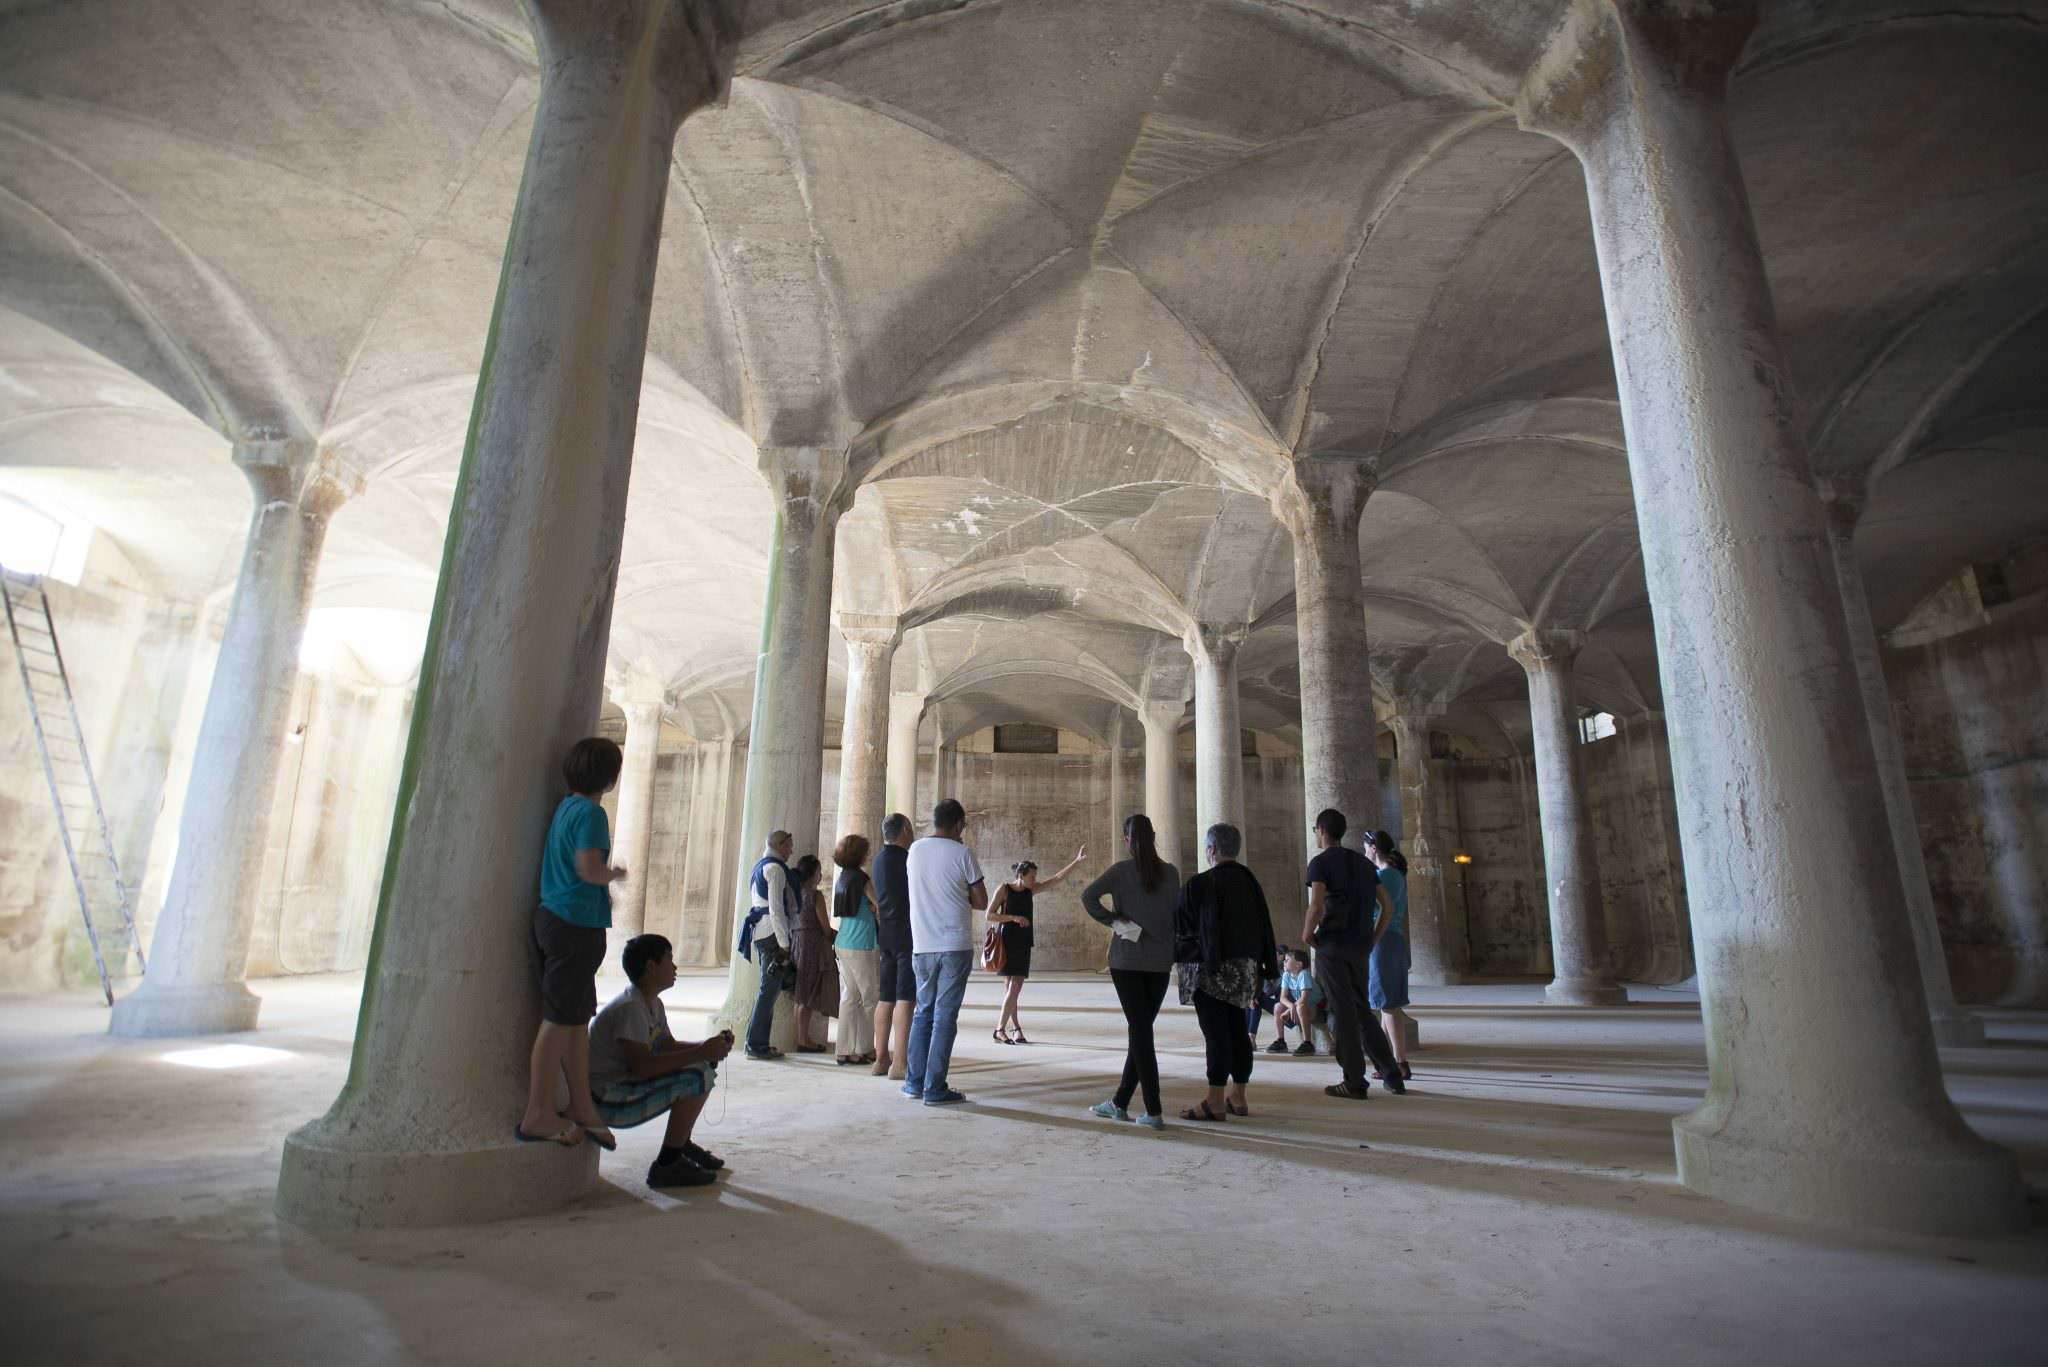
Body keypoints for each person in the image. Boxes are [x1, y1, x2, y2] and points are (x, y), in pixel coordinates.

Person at [519, 737, 626, 1150]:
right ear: (610, 778)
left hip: (561, 920)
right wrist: (612, 875)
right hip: (573, 925)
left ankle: (581, 1104)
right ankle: (537, 1113)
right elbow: (587, 868)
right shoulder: (592, 814)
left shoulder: (567, 806)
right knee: (559, 1020)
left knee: (577, 1020)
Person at [588, 934, 735, 1188]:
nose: (675, 967)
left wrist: (708, 1046)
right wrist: (701, 1053)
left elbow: (666, 1046)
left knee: (700, 1067)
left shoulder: (651, 1003)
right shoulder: (631, 1009)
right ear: (652, 967)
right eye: (669, 959)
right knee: (696, 1075)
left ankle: (681, 1144)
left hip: (622, 1087)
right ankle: (667, 1164)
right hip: (607, 1098)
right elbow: (644, 1067)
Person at [1171, 822, 1278, 1122]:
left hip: (1212, 969)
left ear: (1211, 849)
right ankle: (1239, 1096)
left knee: (1215, 1033)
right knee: (1237, 1032)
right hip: (1246, 970)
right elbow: (1265, 926)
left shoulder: (1201, 883)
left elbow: (1181, 926)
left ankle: (1215, 1100)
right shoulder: (1250, 881)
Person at [1082, 814, 1179, 1130]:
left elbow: (1088, 896)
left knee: (1140, 1032)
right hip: (1160, 961)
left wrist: (1114, 922)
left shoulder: (1122, 871)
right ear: (1153, 836)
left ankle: (1153, 1109)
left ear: (1127, 839)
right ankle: (1120, 1103)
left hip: (1127, 960)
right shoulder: (1171, 873)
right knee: (1141, 1030)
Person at [1304, 808, 1406, 1101]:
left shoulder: (1320, 863)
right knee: (1363, 1010)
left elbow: (1316, 904)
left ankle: (1354, 1081)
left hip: (1333, 945)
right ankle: (1392, 1074)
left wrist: (1306, 933)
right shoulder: (1363, 863)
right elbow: (1386, 905)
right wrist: (1372, 937)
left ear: (1322, 830)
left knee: (1344, 1011)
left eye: (1316, 830)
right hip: (1360, 945)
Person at [902, 797, 986, 1106]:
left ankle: (914, 1081)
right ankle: (935, 1087)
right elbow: (981, 901)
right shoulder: (963, 853)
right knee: (944, 1017)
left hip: (922, 944)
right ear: (959, 825)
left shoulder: (915, 850)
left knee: (922, 1012)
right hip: (954, 944)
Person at [986, 845, 1086, 1044]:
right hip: (1006, 942)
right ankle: (1000, 1029)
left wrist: (1076, 861)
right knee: (1012, 989)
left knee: (1013, 990)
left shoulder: (1030, 891)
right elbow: (989, 915)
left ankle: (1015, 1029)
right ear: (1021, 876)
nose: (1035, 880)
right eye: (1032, 876)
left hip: (1023, 943)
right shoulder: (1004, 889)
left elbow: (1057, 879)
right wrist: (1014, 918)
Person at [738, 830, 798, 1060]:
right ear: (780, 845)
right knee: (768, 990)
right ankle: (754, 1044)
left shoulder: (760, 866)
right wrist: (784, 943)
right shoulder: (774, 869)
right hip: (771, 934)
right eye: (789, 846)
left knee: (769, 990)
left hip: (761, 931)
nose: (791, 850)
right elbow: (776, 909)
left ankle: (760, 1043)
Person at [1365, 830, 1415, 1082]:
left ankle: (1399, 1062)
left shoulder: (1385, 876)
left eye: (1366, 847)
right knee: (1385, 1003)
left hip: (1382, 938)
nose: (1364, 852)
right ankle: (1389, 1061)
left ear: (1373, 847)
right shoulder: (1395, 875)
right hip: (1392, 939)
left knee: (1388, 1003)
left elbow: (1380, 909)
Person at [870, 813, 916, 1079]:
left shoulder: (878, 860)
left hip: (885, 932)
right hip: (905, 933)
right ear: (904, 831)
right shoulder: (906, 860)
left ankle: (880, 1060)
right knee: (905, 999)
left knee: (885, 998)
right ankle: (899, 1063)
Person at [831, 835, 880, 1066]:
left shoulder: (842, 877)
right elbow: (879, 906)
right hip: (861, 944)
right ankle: (865, 1048)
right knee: (869, 998)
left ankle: (844, 1050)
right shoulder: (862, 879)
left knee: (849, 997)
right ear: (859, 854)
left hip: (843, 941)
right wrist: (873, 907)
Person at [790, 854, 839, 1054]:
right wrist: (839, 936)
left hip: (797, 942)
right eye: (819, 871)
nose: (821, 875)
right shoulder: (814, 896)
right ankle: (803, 1039)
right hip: (811, 944)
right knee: (807, 995)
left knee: (799, 993)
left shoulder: (795, 893)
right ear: (813, 873)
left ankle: (800, 1036)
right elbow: (825, 928)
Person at [1268, 947, 1324, 1055]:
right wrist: (1291, 1007)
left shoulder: (1304, 974)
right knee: (1277, 1007)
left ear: (1298, 965)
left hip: (1318, 1006)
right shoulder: (1286, 975)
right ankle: (1281, 1041)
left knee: (1300, 1006)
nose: (1284, 962)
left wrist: (1289, 1010)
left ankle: (1307, 1043)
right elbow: (1282, 998)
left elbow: (1304, 999)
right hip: (1299, 1005)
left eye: (1287, 960)